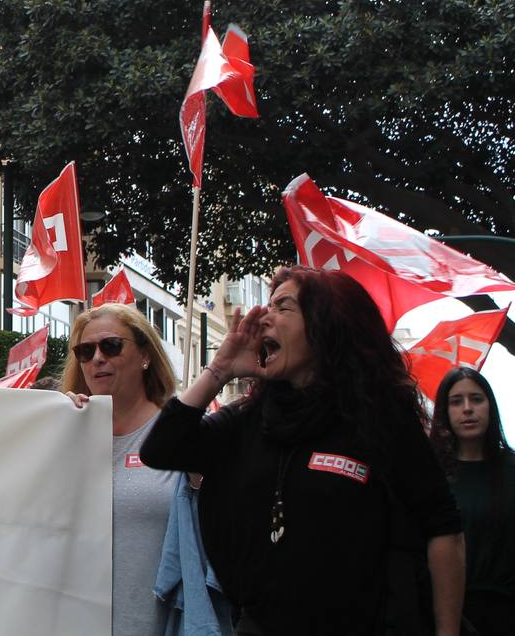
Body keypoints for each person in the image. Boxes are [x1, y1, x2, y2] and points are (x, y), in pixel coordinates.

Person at [140, 266, 465, 635]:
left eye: (283, 307)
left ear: (326, 325)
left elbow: (444, 530)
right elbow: (161, 450)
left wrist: (447, 631)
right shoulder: (249, 417)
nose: (263, 318)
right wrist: (221, 368)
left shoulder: (380, 419)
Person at [59, 303, 181, 636]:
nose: (97, 358)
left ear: (145, 355)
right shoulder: (61, 433)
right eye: (85, 351)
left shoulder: (181, 436)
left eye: (111, 346)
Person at [429, 366, 514, 636]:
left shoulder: (511, 469)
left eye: (476, 399)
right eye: (456, 401)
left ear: (490, 405)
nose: (467, 409)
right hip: (448, 614)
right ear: (445, 411)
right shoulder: (431, 475)